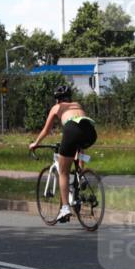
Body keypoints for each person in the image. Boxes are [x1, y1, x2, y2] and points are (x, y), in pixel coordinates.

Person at [28, 84, 98, 222]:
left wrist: (35, 143)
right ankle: (81, 175)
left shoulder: (56, 107)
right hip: (90, 131)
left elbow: (46, 130)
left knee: (63, 172)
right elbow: (79, 128)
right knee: (79, 146)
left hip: (72, 130)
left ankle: (65, 208)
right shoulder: (76, 104)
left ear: (57, 99)